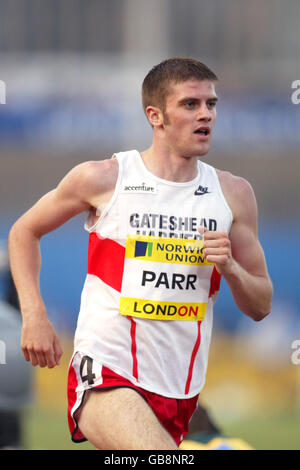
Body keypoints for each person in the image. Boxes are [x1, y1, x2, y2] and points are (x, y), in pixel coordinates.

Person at [8, 57, 273, 450]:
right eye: (190, 104)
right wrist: (33, 315)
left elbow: (261, 304)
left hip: (179, 392)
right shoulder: (105, 178)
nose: (206, 115)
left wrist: (230, 268)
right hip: (105, 371)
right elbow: (24, 231)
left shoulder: (233, 195)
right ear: (156, 116)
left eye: (211, 105)